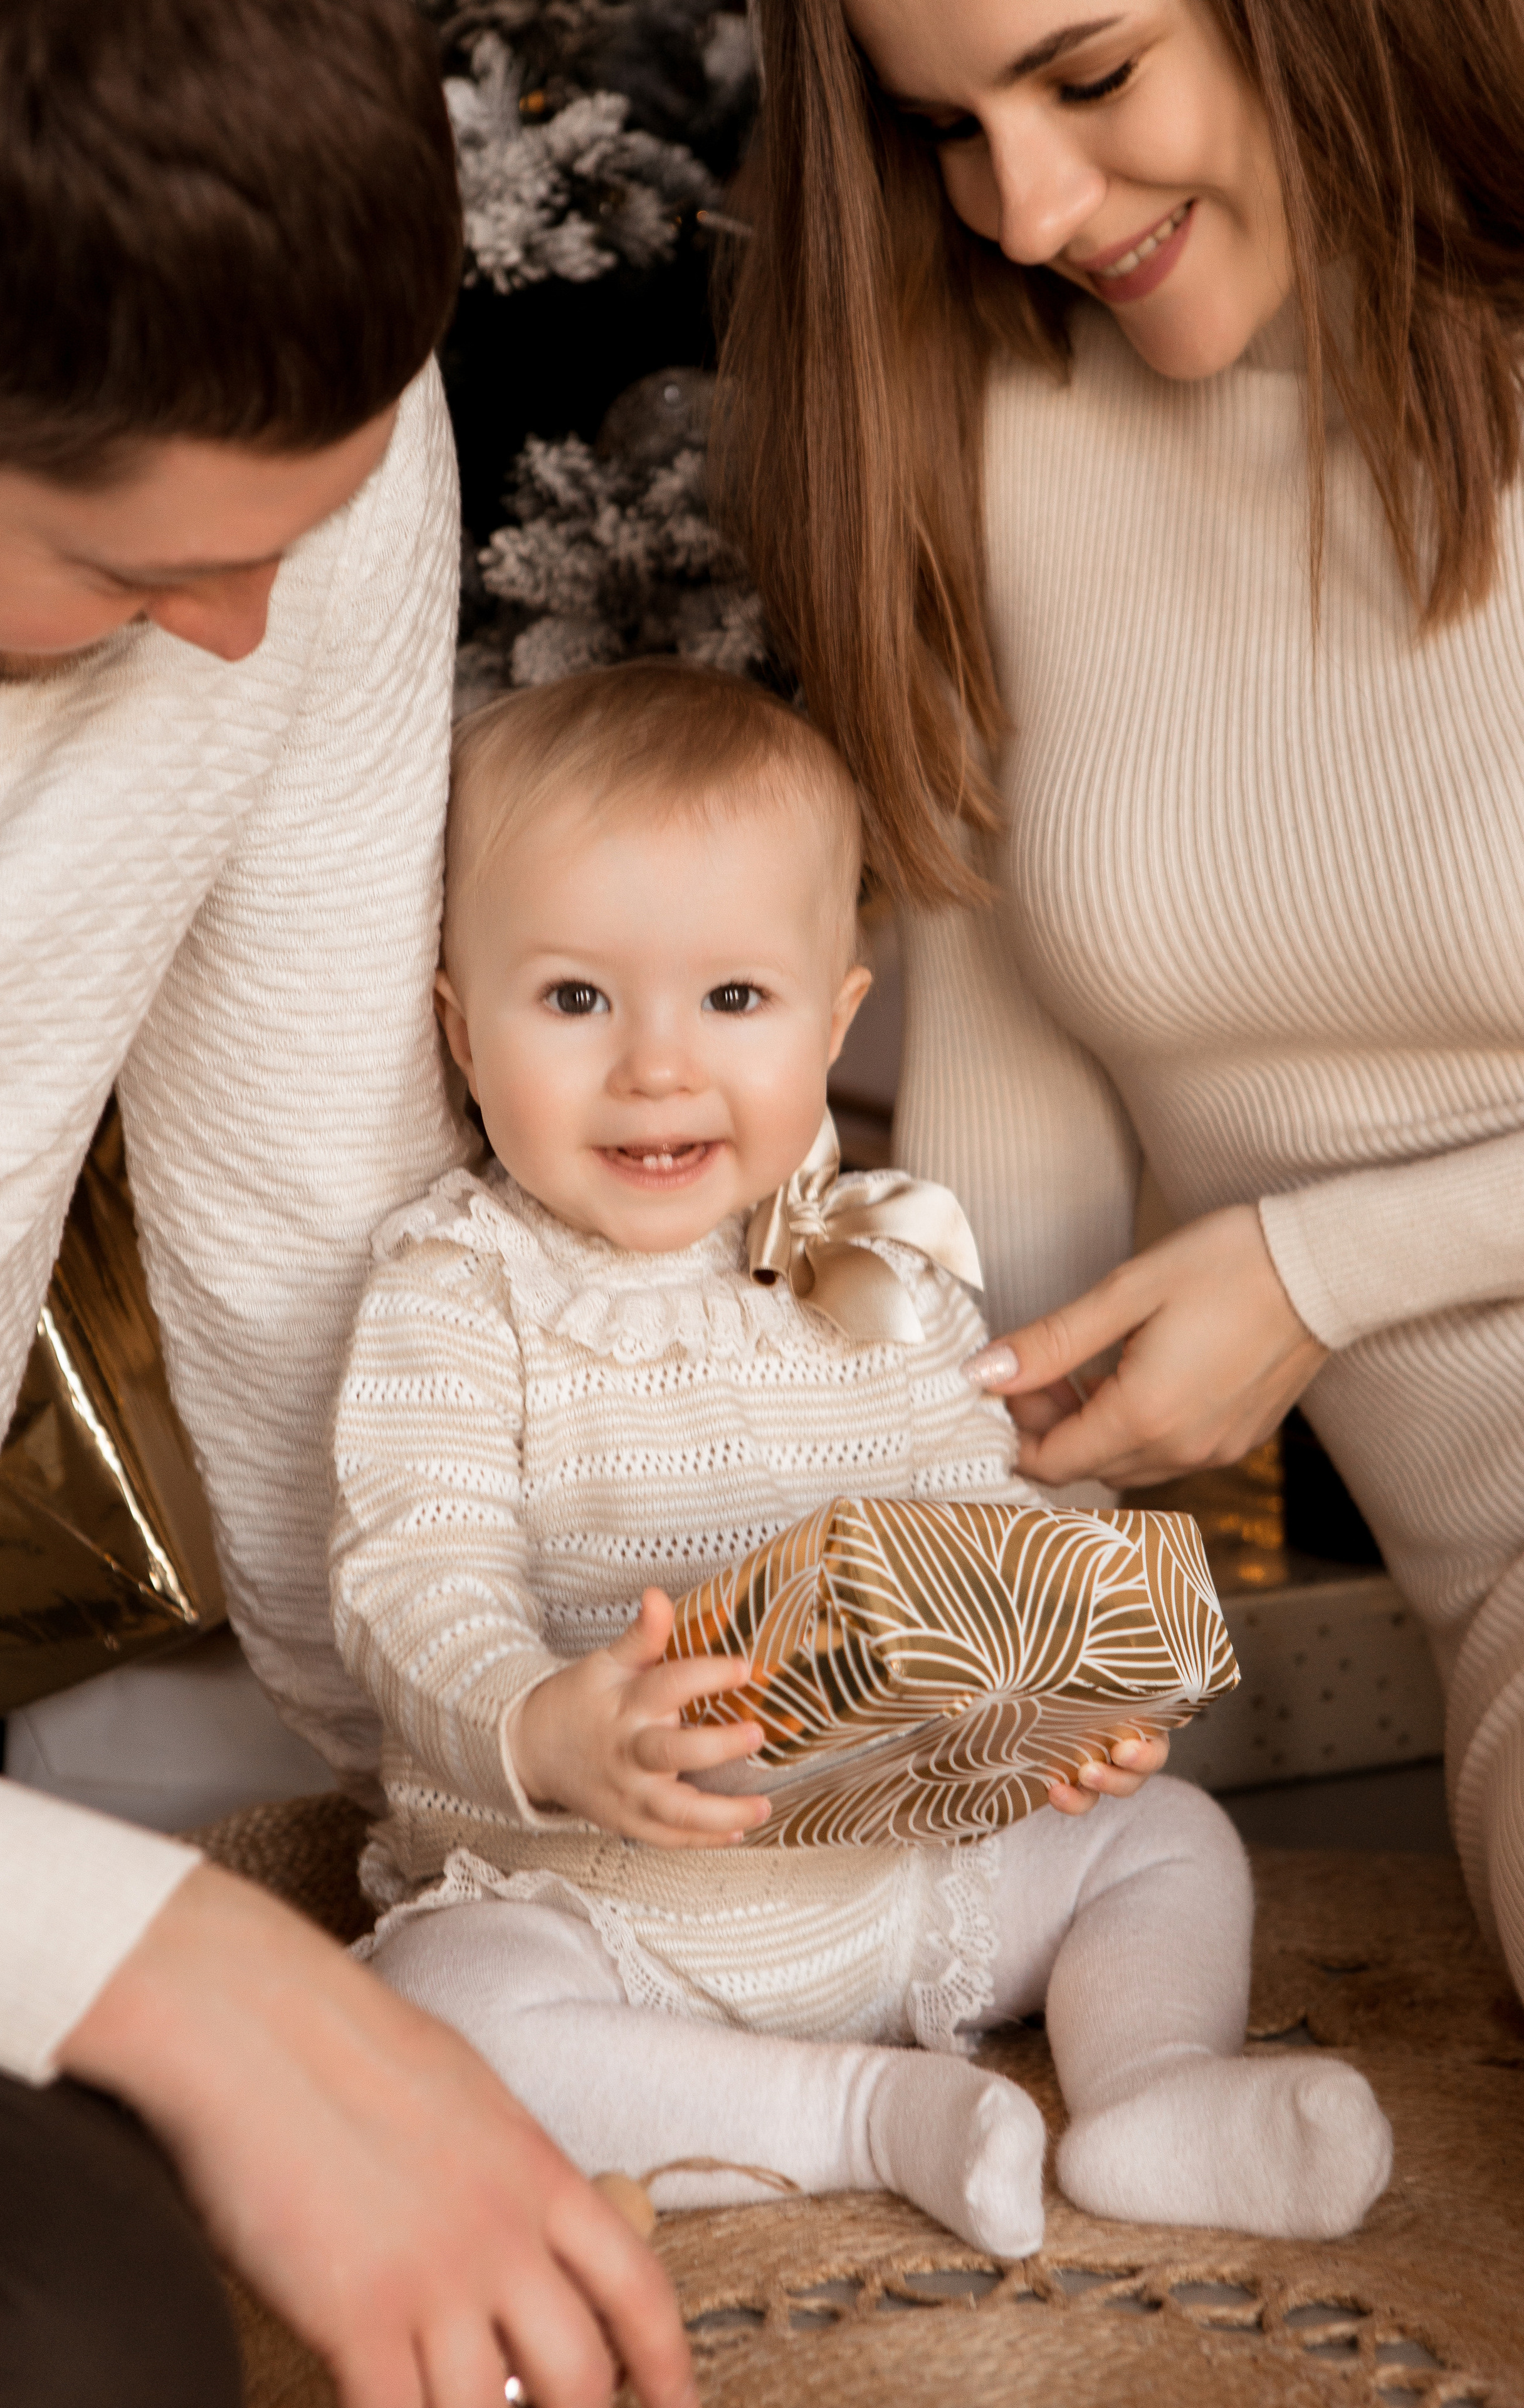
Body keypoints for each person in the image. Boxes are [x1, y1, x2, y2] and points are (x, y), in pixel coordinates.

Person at [0, 5, 693, 2404]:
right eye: (146, 565)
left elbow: (300, 1248)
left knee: (83, 2337)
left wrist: (545, 1758)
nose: (255, 629)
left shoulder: (299, 481)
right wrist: (190, 1980)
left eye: (310, 525)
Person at [328, 658, 1392, 2256]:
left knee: (1164, 1840)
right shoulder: (456, 1285)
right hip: (597, 1909)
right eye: (573, 999)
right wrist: (545, 1724)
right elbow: (413, 1573)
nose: (656, 1066)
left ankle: (1155, 2088)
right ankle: (854, 2118)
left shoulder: (872, 1266)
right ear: (456, 1028)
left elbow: (987, 1514)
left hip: (904, 1885)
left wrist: (1059, 1701)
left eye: (732, 1000)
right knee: (431, 2028)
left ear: (835, 1015)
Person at [718, 0, 1524, 1998]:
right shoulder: (992, 441)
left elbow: (1288, 1283)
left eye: (1087, 78)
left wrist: (1321, 1272)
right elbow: (1012, 1232)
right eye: (946, 134)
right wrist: (871, 1718)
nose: (1024, 207)